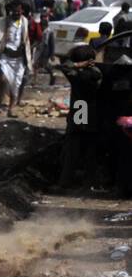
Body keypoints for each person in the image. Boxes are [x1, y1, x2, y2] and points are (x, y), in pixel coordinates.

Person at [57, 44, 107, 188]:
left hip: (81, 110)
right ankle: (88, 181)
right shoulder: (95, 72)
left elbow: (64, 65)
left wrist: (79, 65)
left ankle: (66, 181)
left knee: (74, 147)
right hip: (90, 112)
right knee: (89, 150)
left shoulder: (80, 73)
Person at [0, 0, 31, 117]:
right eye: (14, 11)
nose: (16, 13)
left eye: (18, 11)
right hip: (5, 57)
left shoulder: (24, 21)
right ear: (10, 11)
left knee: (16, 84)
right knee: (2, 80)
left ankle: (11, 109)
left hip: (19, 58)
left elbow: (26, 39)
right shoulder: (2, 21)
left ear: (22, 11)